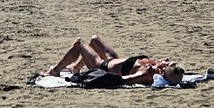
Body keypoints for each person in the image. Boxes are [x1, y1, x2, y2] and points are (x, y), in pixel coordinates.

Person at [42, 35, 184, 86]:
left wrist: (102, 78)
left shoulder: (147, 73)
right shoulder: (153, 66)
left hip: (101, 66)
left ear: (162, 71)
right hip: (113, 60)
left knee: (79, 43)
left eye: (167, 63)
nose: (166, 60)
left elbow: (123, 80)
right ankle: (75, 68)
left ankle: (55, 71)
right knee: (94, 40)